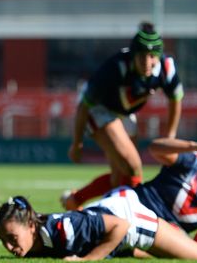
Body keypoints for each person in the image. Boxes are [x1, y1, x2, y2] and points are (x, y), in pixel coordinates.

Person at [64, 21, 183, 210]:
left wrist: (170, 136)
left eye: (152, 56)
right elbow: (84, 105)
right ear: (134, 54)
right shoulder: (116, 67)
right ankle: (134, 213)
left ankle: (75, 200)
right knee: (133, 164)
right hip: (98, 111)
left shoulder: (166, 69)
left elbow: (175, 99)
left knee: (120, 175)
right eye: (142, 56)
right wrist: (77, 143)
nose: (147, 61)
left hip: (125, 114)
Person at [0, 189, 197, 260]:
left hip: (131, 221)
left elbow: (120, 226)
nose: (8, 247)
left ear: (30, 227)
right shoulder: (36, 236)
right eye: (4, 240)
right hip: (113, 208)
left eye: (12, 238)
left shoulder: (66, 228)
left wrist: (87, 261)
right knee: (161, 254)